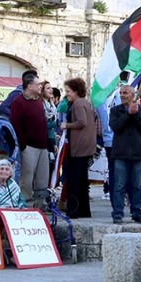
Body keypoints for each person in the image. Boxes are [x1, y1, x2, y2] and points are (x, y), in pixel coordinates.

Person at [108, 85, 141, 225]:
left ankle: (137, 211)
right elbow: (116, 127)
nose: (122, 95)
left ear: (133, 95)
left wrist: (136, 114)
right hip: (121, 153)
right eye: (120, 92)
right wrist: (128, 114)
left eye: (125, 93)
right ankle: (118, 213)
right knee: (119, 185)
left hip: (138, 153)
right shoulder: (115, 111)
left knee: (137, 185)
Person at [9, 73, 51, 207]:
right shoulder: (18, 103)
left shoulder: (37, 101)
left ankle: (41, 204)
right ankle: (26, 204)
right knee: (27, 178)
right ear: (29, 86)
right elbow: (15, 125)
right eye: (38, 84)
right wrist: (23, 145)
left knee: (42, 177)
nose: (40, 86)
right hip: (29, 146)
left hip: (42, 146)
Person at [60, 78, 96, 218]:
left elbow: (82, 122)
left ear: (75, 91)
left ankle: (73, 211)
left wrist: (66, 125)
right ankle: (84, 211)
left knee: (75, 181)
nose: (67, 94)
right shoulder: (85, 103)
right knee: (82, 181)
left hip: (80, 147)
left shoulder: (78, 104)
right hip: (85, 146)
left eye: (68, 91)